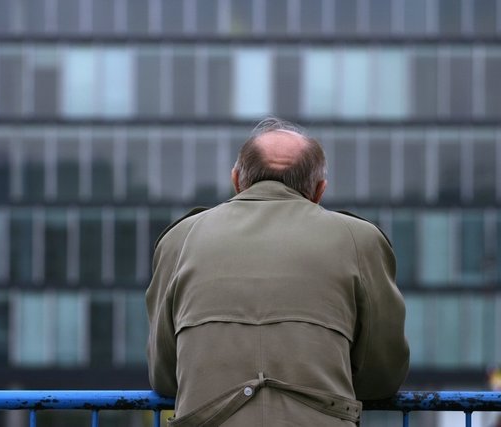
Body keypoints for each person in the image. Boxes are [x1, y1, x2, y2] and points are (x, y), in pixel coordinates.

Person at [146, 117, 409, 426]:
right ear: (319, 190)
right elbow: (382, 377)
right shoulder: (359, 240)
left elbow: (164, 375)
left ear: (236, 181)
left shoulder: (181, 239)